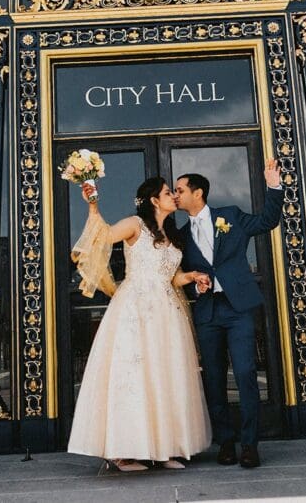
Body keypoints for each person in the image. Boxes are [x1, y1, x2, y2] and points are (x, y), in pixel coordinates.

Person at [67, 176, 212, 471]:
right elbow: (104, 236)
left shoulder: (172, 234)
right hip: (136, 309)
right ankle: (123, 452)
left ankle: (165, 448)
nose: (173, 196)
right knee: (134, 376)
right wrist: (93, 205)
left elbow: (172, 276)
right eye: (168, 193)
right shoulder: (135, 224)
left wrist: (192, 276)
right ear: (154, 200)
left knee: (165, 376)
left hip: (167, 313)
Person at [174, 160, 284, 469]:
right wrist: (194, 282)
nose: (176, 195)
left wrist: (274, 185)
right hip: (207, 311)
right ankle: (225, 442)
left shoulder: (231, 216)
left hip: (237, 309)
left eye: (180, 190)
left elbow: (267, 221)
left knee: (246, 373)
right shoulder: (181, 236)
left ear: (198, 193)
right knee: (213, 378)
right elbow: (178, 273)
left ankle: (249, 445)